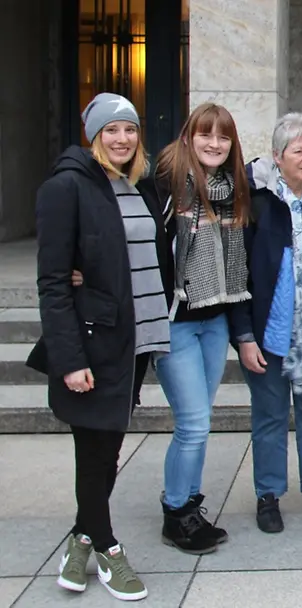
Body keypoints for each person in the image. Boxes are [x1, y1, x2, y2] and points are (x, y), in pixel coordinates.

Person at [34, 92, 168, 601]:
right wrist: (69, 360)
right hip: (92, 344)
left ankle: (80, 539)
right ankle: (108, 548)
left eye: (130, 129)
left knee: (106, 450)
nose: (122, 138)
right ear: (93, 136)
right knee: (94, 451)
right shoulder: (66, 187)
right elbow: (52, 283)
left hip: (135, 341)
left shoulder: (139, 186)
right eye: (111, 130)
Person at [231, 112, 302, 534]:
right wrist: (244, 335)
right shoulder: (257, 203)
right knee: (270, 415)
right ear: (277, 156)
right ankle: (269, 495)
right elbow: (238, 274)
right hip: (269, 333)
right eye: (298, 151)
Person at [152, 103, 251, 554]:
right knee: (192, 423)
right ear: (189, 137)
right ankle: (176, 513)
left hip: (215, 319)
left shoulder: (232, 188)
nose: (214, 143)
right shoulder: (165, 184)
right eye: (206, 134)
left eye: (223, 136)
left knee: (200, 421)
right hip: (175, 321)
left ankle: (189, 505)